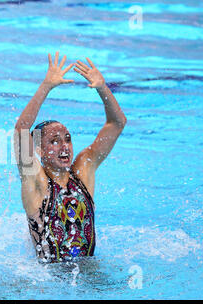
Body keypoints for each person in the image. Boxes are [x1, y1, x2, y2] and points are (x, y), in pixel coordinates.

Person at [14, 52, 127, 262]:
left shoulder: (83, 171)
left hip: (88, 274)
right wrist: (46, 86)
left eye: (67, 139)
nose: (64, 147)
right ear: (38, 149)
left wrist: (103, 88)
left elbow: (117, 123)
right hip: (49, 281)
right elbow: (21, 129)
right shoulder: (36, 182)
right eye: (54, 141)